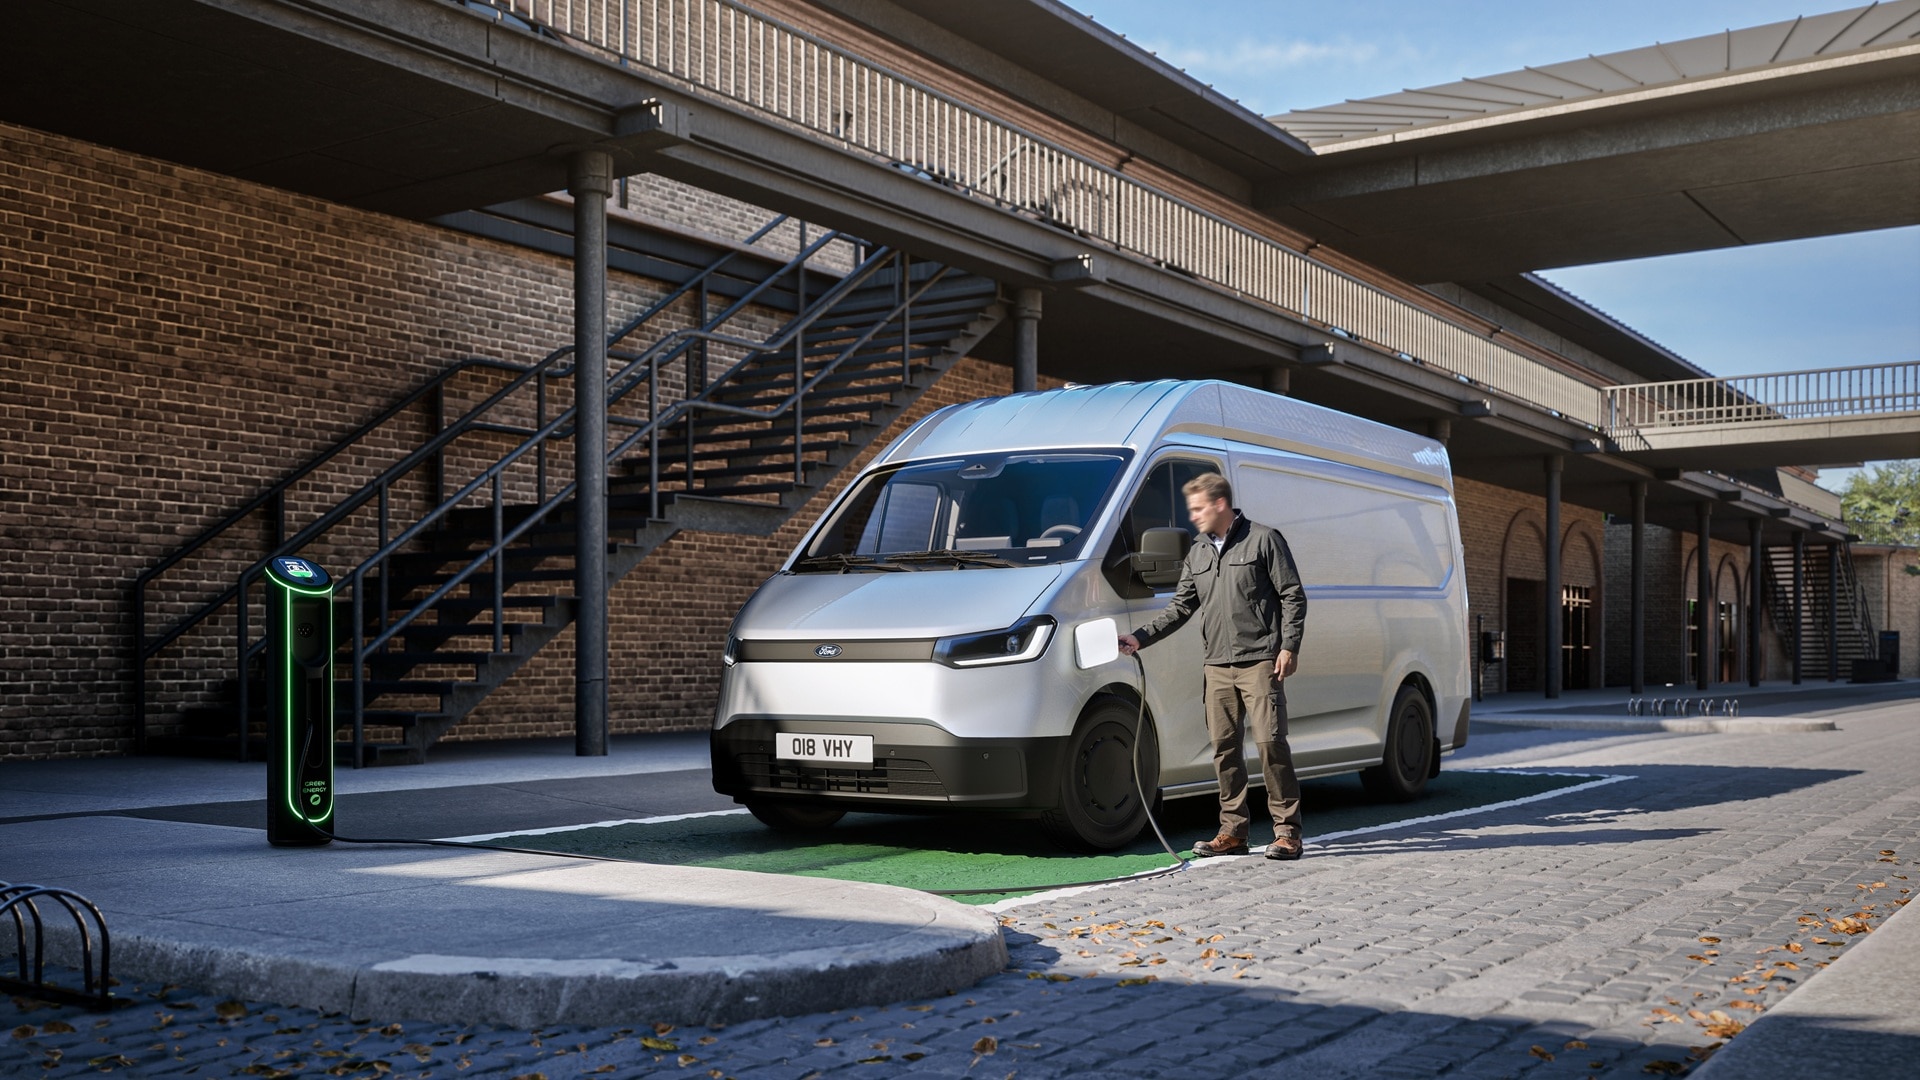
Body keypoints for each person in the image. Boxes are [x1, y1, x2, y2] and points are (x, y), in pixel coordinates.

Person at [1118, 472, 1308, 860]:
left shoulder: (1263, 539)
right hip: (1217, 665)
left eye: (1198, 508)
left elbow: (1293, 595)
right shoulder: (1199, 551)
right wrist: (1140, 637)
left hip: (1260, 661)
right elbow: (1181, 606)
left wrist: (1289, 646)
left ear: (1220, 504)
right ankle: (1233, 832)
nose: (1194, 517)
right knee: (1224, 749)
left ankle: (1287, 832)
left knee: (1271, 744)